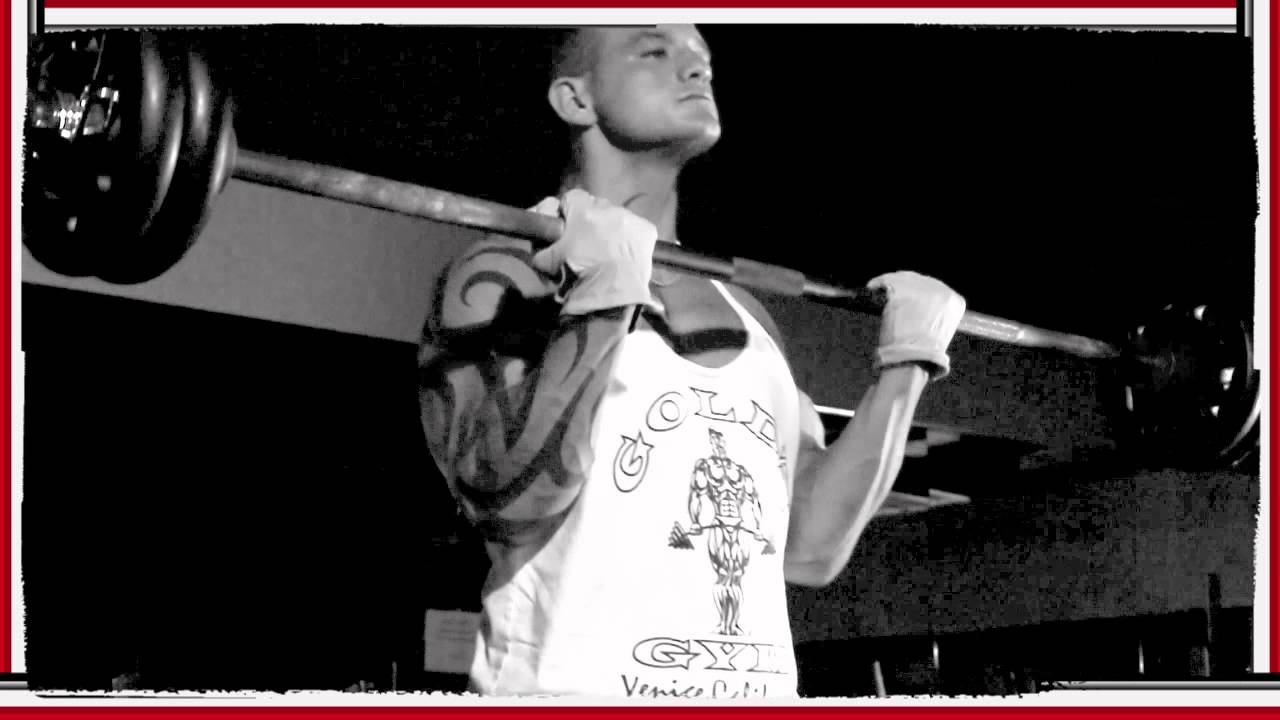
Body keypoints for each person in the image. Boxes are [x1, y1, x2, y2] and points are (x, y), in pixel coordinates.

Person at [417, 24, 966, 699]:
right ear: (575, 98)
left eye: (702, 59)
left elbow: (808, 549)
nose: (696, 69)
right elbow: (509, 507)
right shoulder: (508, 275)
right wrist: (603, 300)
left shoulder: (749, 316)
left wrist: (906, 367)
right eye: (655, 51)